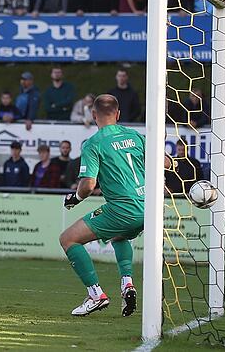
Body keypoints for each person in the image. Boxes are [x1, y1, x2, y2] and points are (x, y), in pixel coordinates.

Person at [59, 94, 143, 317]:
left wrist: (75, 198)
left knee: (68, 239)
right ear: (118, 114)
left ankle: (96, 295)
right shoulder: (135, 136)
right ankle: (127, 284)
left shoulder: (93, 144)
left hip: (122, 208)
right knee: (120, 235)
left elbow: (87, 185)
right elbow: (164, 162)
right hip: (148, 208)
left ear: (93, 115)